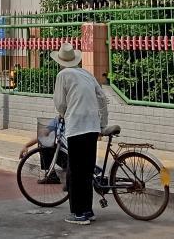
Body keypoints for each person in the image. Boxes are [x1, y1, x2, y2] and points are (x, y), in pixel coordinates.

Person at [51, 42, 108, 226]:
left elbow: (60, 103)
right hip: (92, 127)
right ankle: (88, 211)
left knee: (75, 171)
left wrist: (64, 113)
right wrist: (102, 124)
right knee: (87, 170)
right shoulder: (86, 74)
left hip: (76, 127)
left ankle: (79, 213)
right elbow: (102, 98)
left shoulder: (63, 75)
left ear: (61, 61)